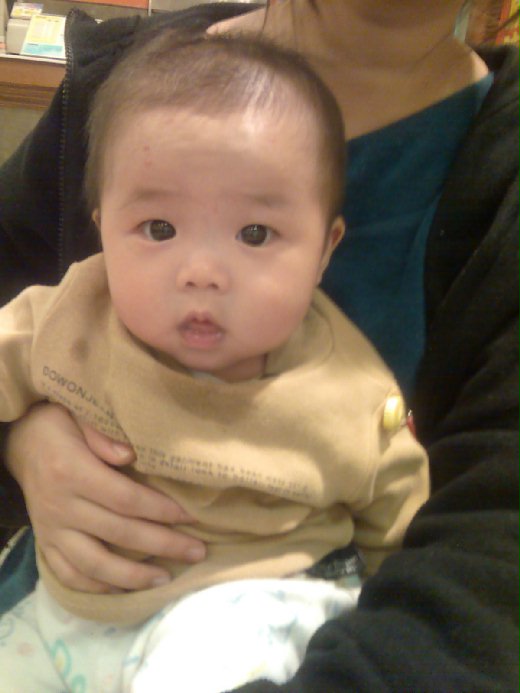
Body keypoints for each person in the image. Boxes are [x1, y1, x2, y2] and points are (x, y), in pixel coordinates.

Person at [0, 1, 519, 690]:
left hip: (253, 608)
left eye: (254, 235)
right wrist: (19, 437)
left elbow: (421, 530)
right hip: (66, 599)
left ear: (328, 246)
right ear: (102, 226)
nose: (201, 272)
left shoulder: (346, 389)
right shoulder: (73, 306)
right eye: (159, 229)